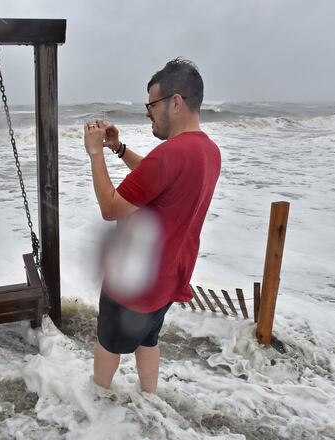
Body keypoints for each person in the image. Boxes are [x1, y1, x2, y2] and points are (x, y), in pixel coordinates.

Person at [83, 58, 221, 394]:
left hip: (134, 279)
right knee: (149, 338)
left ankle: (96, 403)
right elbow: (157, 175)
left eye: (151, 104)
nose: (147, 112)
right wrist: (118, 149)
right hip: (169, 275)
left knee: (108, 344)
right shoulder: (208, 150)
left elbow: (110, 208)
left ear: (175, 102)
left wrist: (95, 155)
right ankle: (150, 399)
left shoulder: (170, 154)